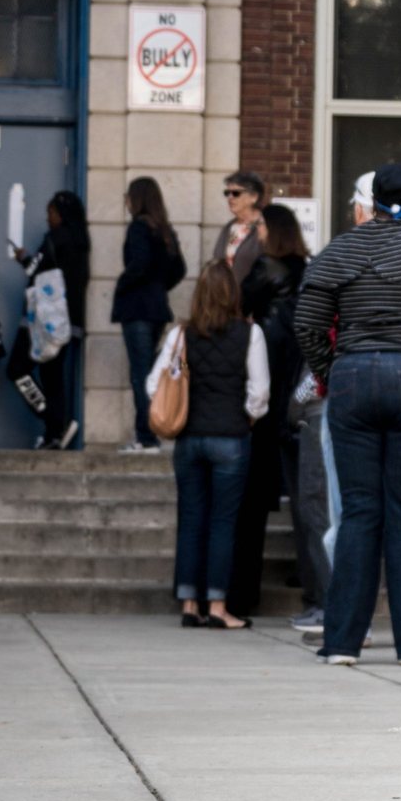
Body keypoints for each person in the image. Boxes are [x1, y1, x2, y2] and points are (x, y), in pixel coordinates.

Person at [294, 163, 401, 666]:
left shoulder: (339, 250)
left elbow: (306, 322)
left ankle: (342, 641)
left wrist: (335, 371)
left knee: (358, 511)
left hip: (351, 382)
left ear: (370, 198)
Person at [147, 260, 269, 629]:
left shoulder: (180, 335)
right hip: (230, 438)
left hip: (189, 440)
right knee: (223, 523)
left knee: (191, 519)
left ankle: (189, 604)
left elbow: (154, 385)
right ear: (234, 294)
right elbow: (260, 393)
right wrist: (246, 416)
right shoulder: (251, 334)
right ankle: (217, 607)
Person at [294, 171, 373, 636]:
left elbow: (308, 323)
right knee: (395, 516)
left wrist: (326, 374)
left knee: (341, 511)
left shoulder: (336, 258)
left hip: (344, 391)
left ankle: (344, 618)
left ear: (362, 209)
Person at [227, 203, 308, 618]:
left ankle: (241, 595)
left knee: (251, 500)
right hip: (297, 388)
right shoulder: (305, 269)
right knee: (302, 494)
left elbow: (233, 303)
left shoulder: (265, 267)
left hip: (266, 384)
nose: (254, 231)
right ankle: (310, 576)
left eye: (259, 225)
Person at [113, 177, 187, 453]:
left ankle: (146, 437)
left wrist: (124, 284)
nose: (126, 202)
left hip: (138, 310)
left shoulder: (139, 228)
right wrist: (159, 287)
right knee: (149, 372)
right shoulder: (164, 230)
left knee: (142, 374)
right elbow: (179, 269)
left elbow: (139, 264)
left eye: (129, 196)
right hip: (157, 308)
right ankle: (147, 435)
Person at [13, 191, 91, 448]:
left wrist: (23, 257)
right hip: (69, 323)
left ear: (60, 213)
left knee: (17, 369)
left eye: (51, 213)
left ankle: (54, 422)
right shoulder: (81, 242)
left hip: (43, 322)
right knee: (53, 377)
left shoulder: (54, 239)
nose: (48, 219)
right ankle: (54, 434)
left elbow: (34, 268)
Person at [212, 171, 267, 284]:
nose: (230, 197)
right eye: (227, 193)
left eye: (236, 193)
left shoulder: (265, 227)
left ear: (254, 197)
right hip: (225, 298)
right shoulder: (229, 228)